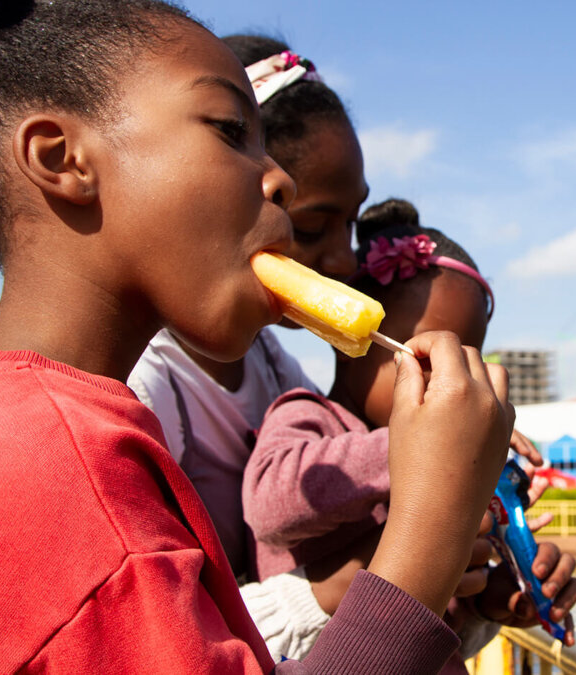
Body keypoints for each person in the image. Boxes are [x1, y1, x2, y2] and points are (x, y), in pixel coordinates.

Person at [0, 3, 515, 673]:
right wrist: (434, 524)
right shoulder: (55, 473)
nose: (277, 177)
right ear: (63, 158)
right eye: (229, 130)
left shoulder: (59, 438)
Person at [244, 200, 576, 666]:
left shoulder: (444, 472)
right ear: (348, 342)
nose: (458, 382)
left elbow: (420, 613)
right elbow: (268, 505)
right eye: (427, 358)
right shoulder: (307, 417)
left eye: (469, 359)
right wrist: (422, 444)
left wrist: (487, 600)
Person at [127, 34, 366, 580]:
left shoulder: (273, 364)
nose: (346, 259)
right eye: (312, 226)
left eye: (353, 222)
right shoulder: (145, 385)